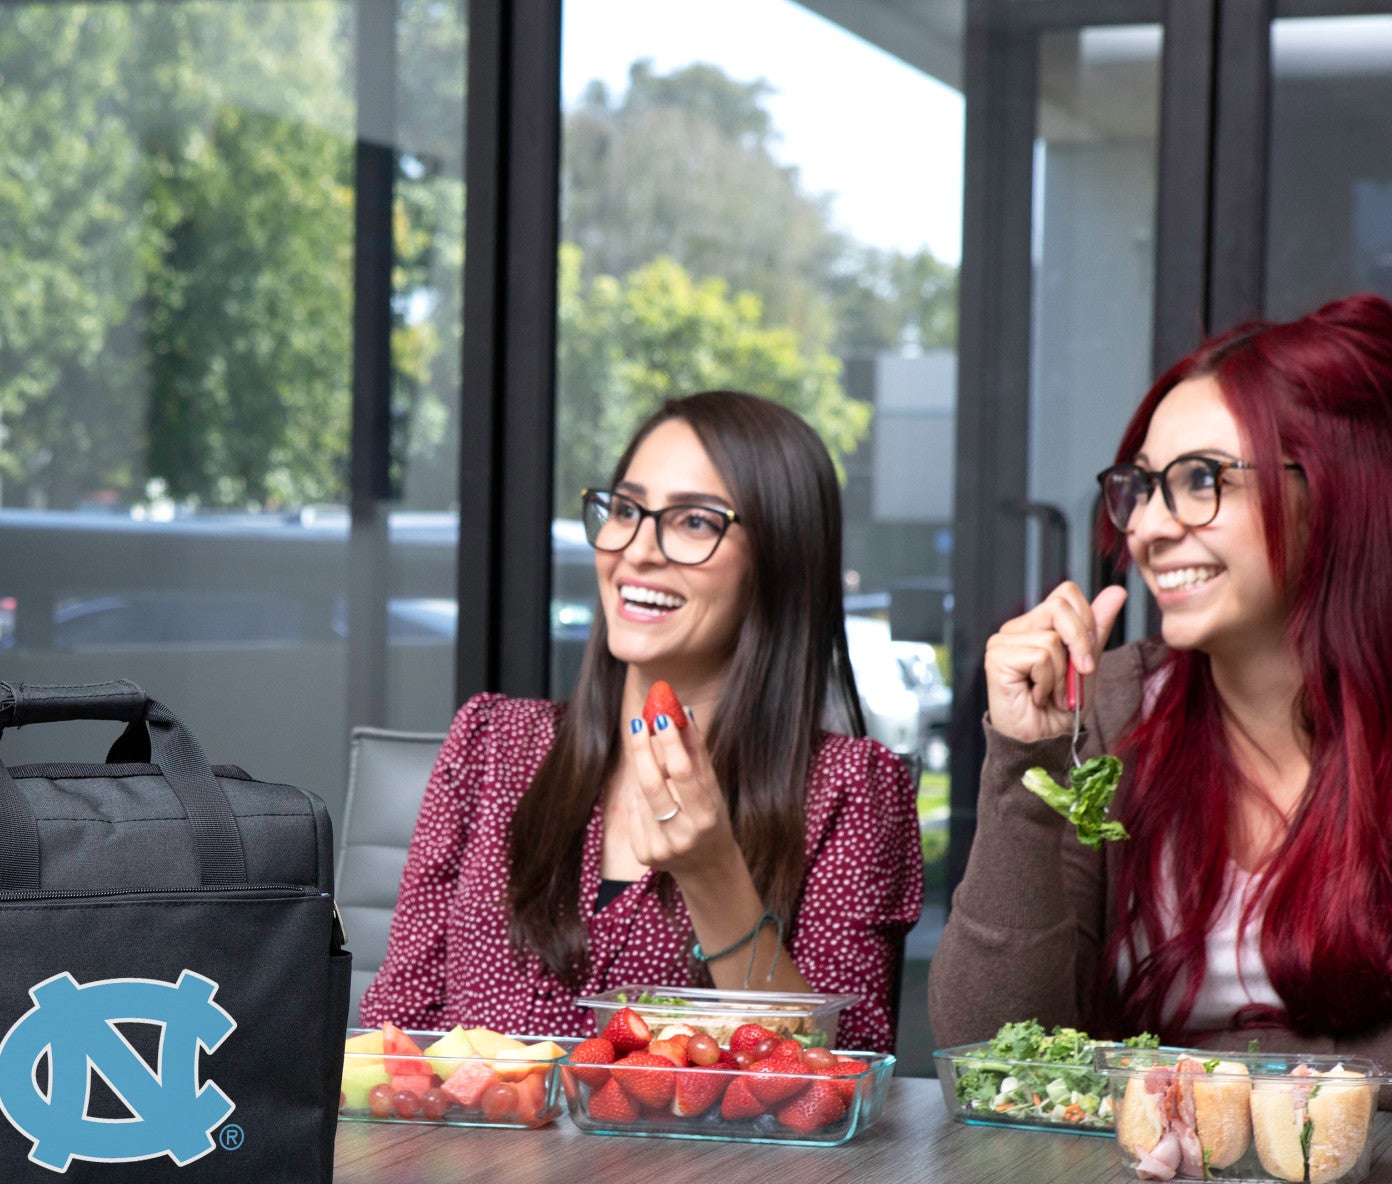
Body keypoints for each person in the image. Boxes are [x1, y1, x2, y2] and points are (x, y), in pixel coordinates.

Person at [360, 391, 925, 1051]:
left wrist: (714, 875)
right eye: (626, 509)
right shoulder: (492, 744)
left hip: (703, 1160)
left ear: (779, 561)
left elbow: (837, 1079)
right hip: (476, 1153)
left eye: (692, 522)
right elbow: (391, 1038)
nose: (637, 550)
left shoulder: (852, 791)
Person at [931, 294, 1392, 1073]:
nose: (1144, 526)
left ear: (1335, 490)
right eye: (1141, 486)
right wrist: (1024, 759)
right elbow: (991, 1051)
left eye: (1201, 478)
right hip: (1137, 1183)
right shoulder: (1108, 707)